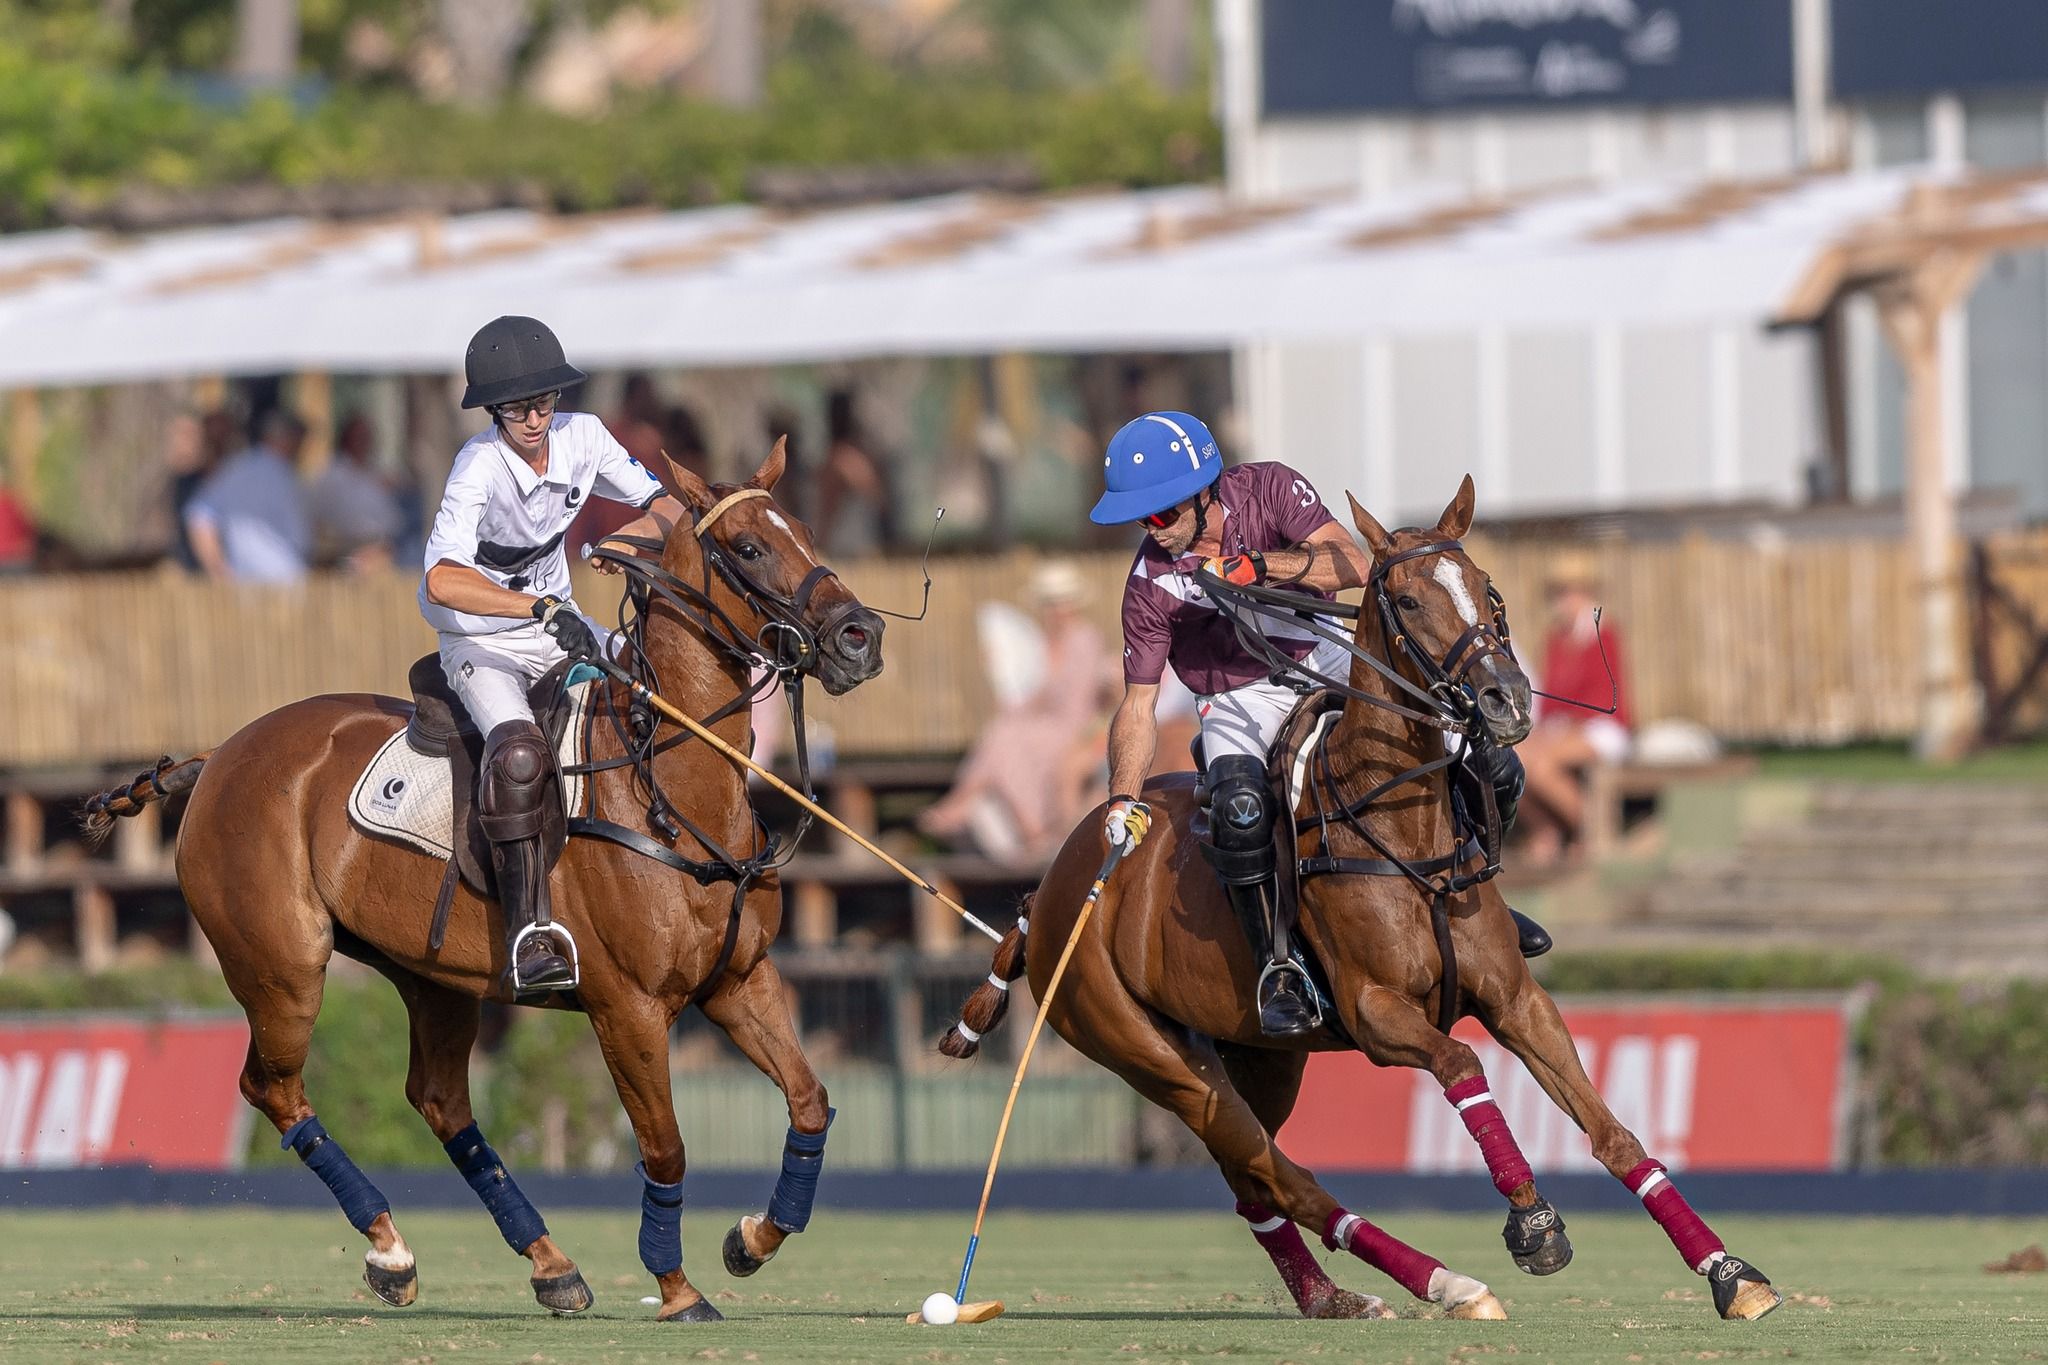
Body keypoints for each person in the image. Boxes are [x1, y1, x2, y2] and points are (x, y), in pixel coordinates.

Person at [1092, 411, 1548, 1038]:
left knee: (1491, 763)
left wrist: (1256, 568)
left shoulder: (1270, 488)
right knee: (1240, 813)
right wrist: (1122, 796)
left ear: (1204, 493)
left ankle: (1481, 898)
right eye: (1141, 520)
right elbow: (1138, 705)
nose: (1154, 531)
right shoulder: (1149, 584)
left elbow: (1350, 564)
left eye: (1163, 514)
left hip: (1327, 651)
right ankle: (1277, 968)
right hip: (1239, 700)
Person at [419, 316, 685, 998]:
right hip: (482, 639)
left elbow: (668, 513)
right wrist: (536, 609)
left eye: (544, 402)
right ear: (492, 410)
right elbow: (440, 580)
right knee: (518, 755)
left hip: (559, 620)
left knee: (654, 689)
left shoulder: (585, 435)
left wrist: (618, 545)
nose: (535, 418)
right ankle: (527, 932)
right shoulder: (477, 466)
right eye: (516, 408)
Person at [919, 560, 1112, 862]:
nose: (1054, 608)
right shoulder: (1041, 643)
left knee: (1005, 736)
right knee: (1005, 731)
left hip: (1075, 726)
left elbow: (1071, 697)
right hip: (1046, 724)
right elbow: (1028, 695)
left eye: (1059, 601)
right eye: (1049, 602)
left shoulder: (1084, 639)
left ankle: (968, 802)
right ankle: (1019, 823)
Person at [1513, 551, 1633, 867]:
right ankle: (1545, 828)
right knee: (1512, 759)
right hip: (1563, 726)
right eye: (1559, 592)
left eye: (1570, 591)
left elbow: (1606, 697)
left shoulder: (1603, 632)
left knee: (1542, 765)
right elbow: (1551, 696)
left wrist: (1564, 727)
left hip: (1603, 727)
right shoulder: (1555, 637)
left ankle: (1587, 829)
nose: (1564, 600)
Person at [184, 410, 312, 583]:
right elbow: (199, 515)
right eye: (298, 440)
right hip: (270, 584)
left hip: (263, 584)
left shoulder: (244, 469)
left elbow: (199, 516)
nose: (300, 448)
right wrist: (217, 568)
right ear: (284, 438)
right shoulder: (241, 470)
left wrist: (217, 569)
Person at [310, 413, 405, 571]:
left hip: (384, 553)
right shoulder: (333, 476)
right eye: (359, 437)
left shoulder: (376, 474)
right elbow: (321, 521)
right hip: (348, 558)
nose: (363, 442)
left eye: (367, 437)